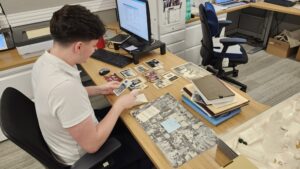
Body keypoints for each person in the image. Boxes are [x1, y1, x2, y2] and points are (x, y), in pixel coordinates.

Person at [32, 5, 152, 169]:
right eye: (94, 45)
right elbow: (92, 145)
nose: (95, 50)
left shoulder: (45, 61)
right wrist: (118, 106)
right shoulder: (63, 87)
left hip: (76, 133)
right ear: (79, 47)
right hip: (89, 159)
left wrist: (99, 89)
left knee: (133, 122)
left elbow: (62, 102)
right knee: (149, 144)